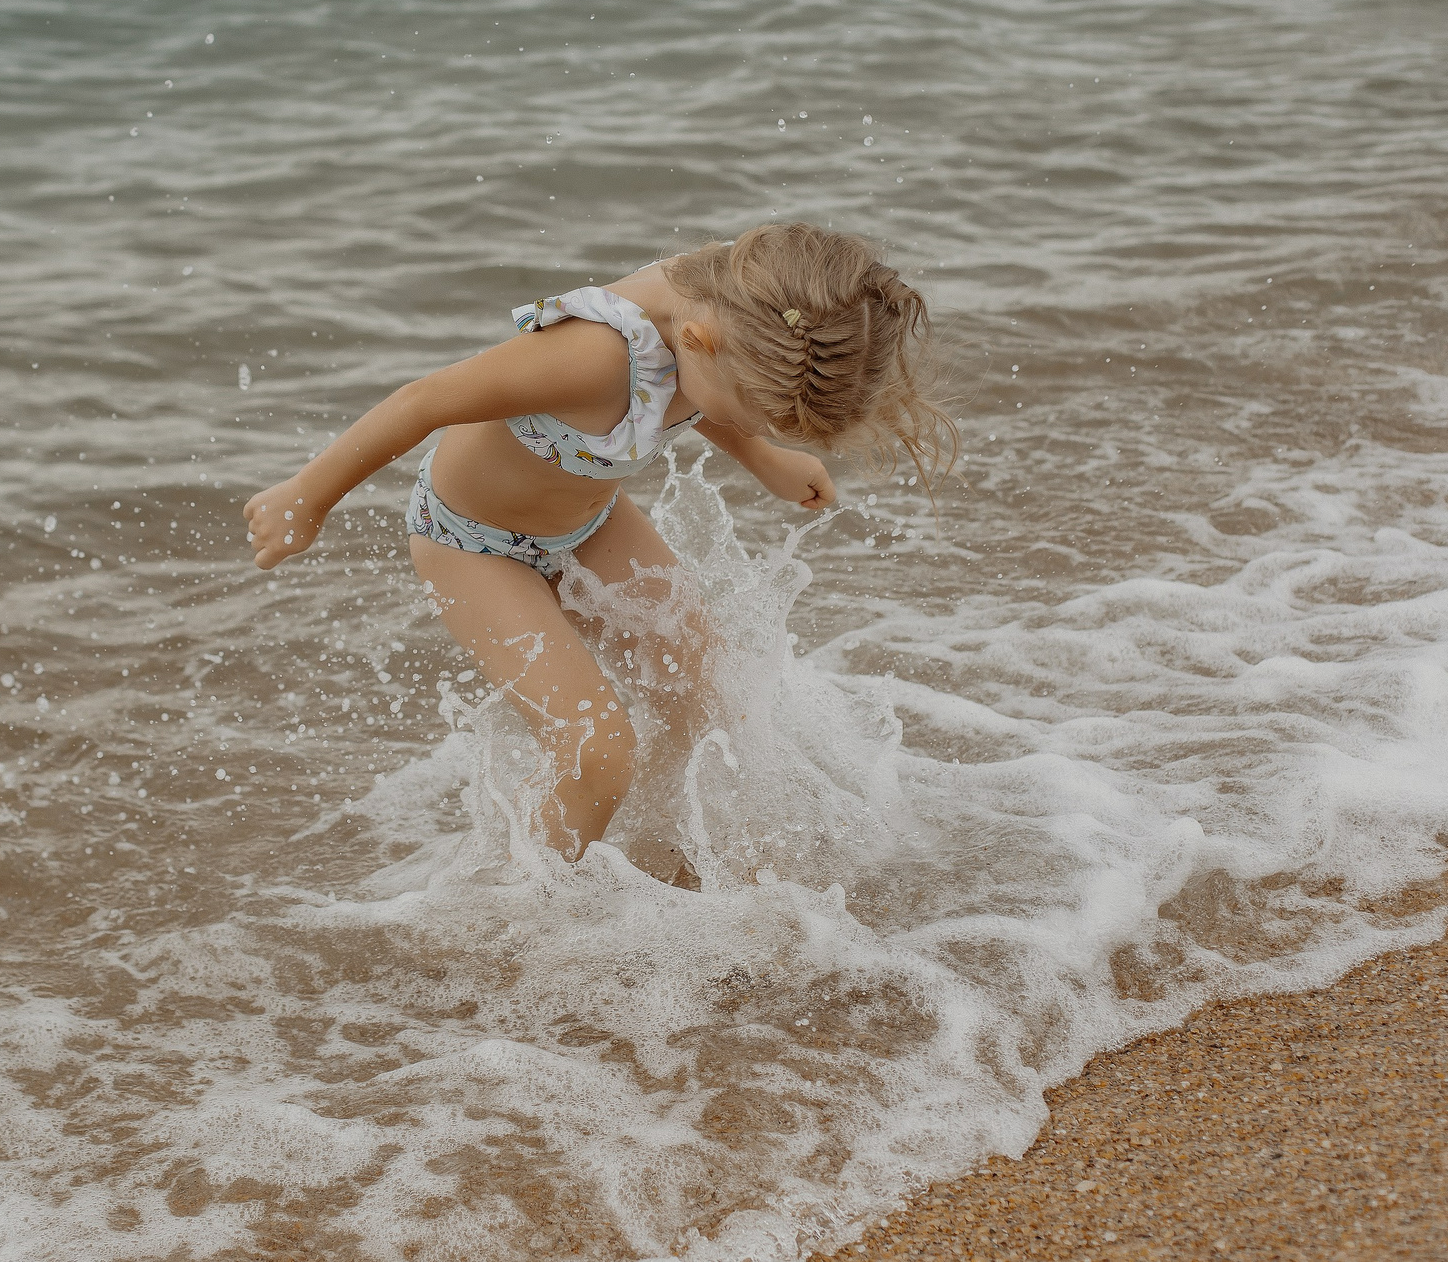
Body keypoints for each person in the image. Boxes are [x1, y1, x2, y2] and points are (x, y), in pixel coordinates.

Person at [243, 223, 954, 873]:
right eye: (749, 415)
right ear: (703, 340)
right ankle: (528, 903)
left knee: (700, 691)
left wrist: (764, 456)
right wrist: (307, 496)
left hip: (590, 521)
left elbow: (708, 387)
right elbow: (423, 400)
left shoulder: (741, 313)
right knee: (596, 751)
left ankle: (643, 855)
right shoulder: (593, 358)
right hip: (473, 543)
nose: (738, 421)